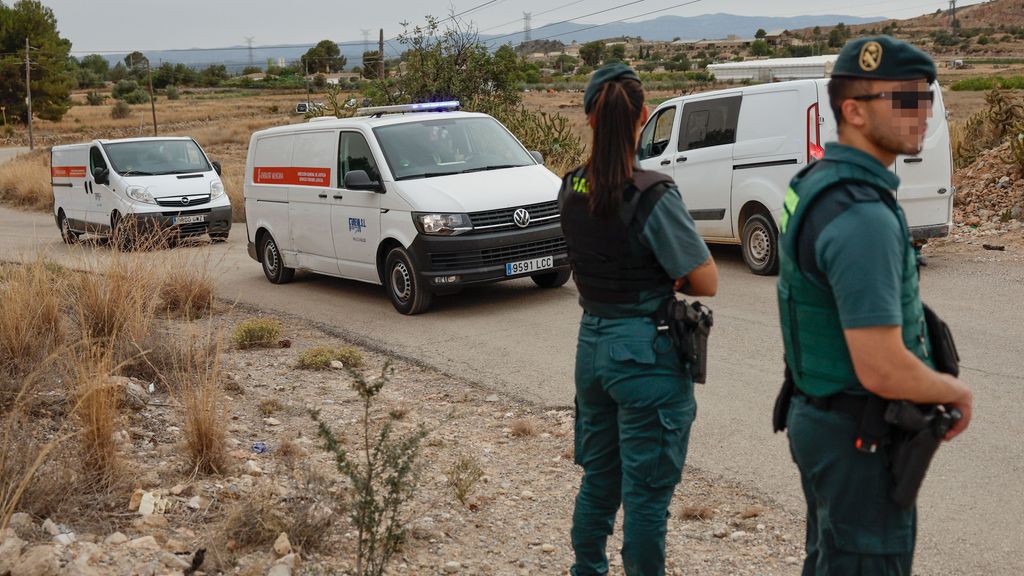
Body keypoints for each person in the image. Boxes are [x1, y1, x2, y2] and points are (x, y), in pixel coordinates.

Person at [775, 36, 973, 575]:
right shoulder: (862, 215)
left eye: (926, 98)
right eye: (904, 99)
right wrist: (955, 390)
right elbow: (882, 366)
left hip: (819, 417)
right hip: (857, 437)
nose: (922, 112)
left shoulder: (813, 183)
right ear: (854, 110)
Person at [560, 62, 718, 576]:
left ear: (589, 120)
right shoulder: (652, 193)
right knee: (647, 498)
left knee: (599, 483)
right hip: (645, 354)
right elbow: (705, 279)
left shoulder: (571, 188)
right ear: (644, 117)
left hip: (593, 348)